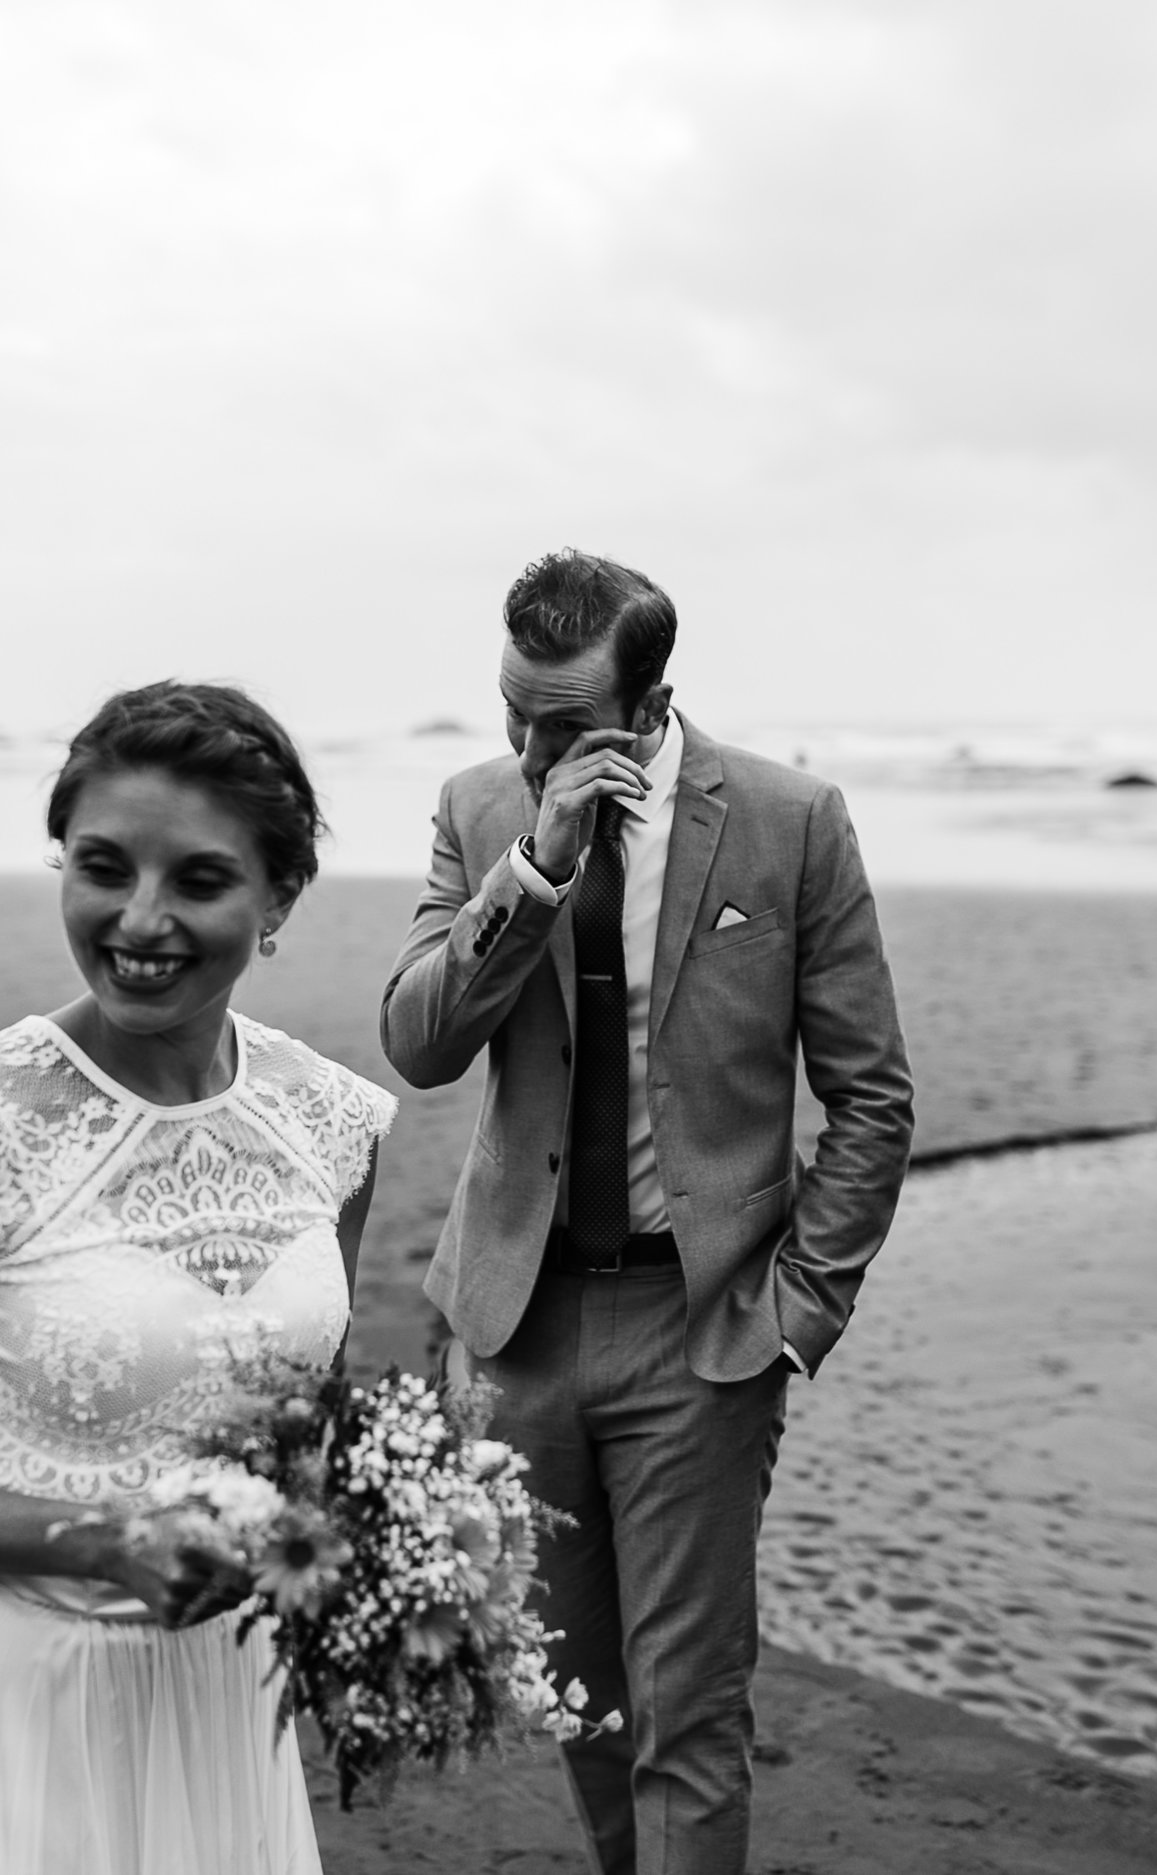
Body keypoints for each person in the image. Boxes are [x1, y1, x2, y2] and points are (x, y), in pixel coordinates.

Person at [381, 549, 913, 1874]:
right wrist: (536, 868)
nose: (529, 740)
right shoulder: (477, 805)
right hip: (515, 1322)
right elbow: (421, 1041)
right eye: (513, 707)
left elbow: (871, 1095)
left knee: (689, 1703)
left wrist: (800, 1306)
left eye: (562, 721)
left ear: (652, 697)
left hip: (702, 1325)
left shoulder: (791, 820)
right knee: (573, 1687)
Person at [0, 682, 396, 1874]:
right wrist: (97, 1539)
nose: (141, 919)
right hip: (35, 1705)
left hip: (232, 1703)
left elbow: (309, 1432)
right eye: (104, 867)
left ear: (279, 897)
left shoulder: (334, 1124)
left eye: (200, 880)